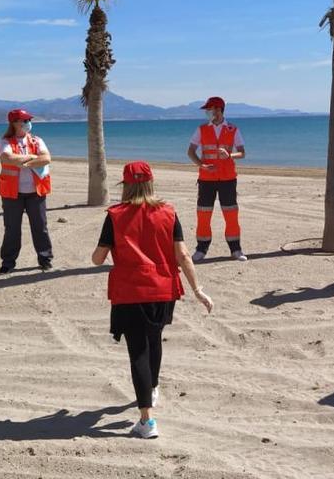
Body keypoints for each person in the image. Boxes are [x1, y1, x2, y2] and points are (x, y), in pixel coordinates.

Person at [92, 161, 214, 439]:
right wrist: (198, 290)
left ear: (126, 185)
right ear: (150, 183)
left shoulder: (116, 215)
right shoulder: (168, 212)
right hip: (162, 290)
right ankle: (153, 388)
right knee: (154, 338)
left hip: (130, 291)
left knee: (138, 350)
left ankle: (147, 420)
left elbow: (98, 257)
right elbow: (182, 256)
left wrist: (104, 252)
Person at [187, 96, 247, 262]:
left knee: (231, 214)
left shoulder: (232, 129)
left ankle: (236, 249)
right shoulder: (202, 129)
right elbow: (191, 151)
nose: (208, 112)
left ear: (218, 110)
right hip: (206, 179)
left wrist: (230, 154)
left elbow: (242, 152)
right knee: (203, 214)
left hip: (228, 179)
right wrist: (201, 165)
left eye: (210, 109)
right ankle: (201, 249)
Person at [0, 109, 53, 273]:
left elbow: (46, 158)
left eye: (28, 120)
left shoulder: (37, 140)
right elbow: (6, 158)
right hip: (12, 194)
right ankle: (8, 262)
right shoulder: (6, 142)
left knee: (40, 227)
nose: (28, 122)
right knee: (12, 229)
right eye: (25, 120)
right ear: (15, 123)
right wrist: (33, 158)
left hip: (36, 192)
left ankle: (45, 259)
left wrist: (23, 162)